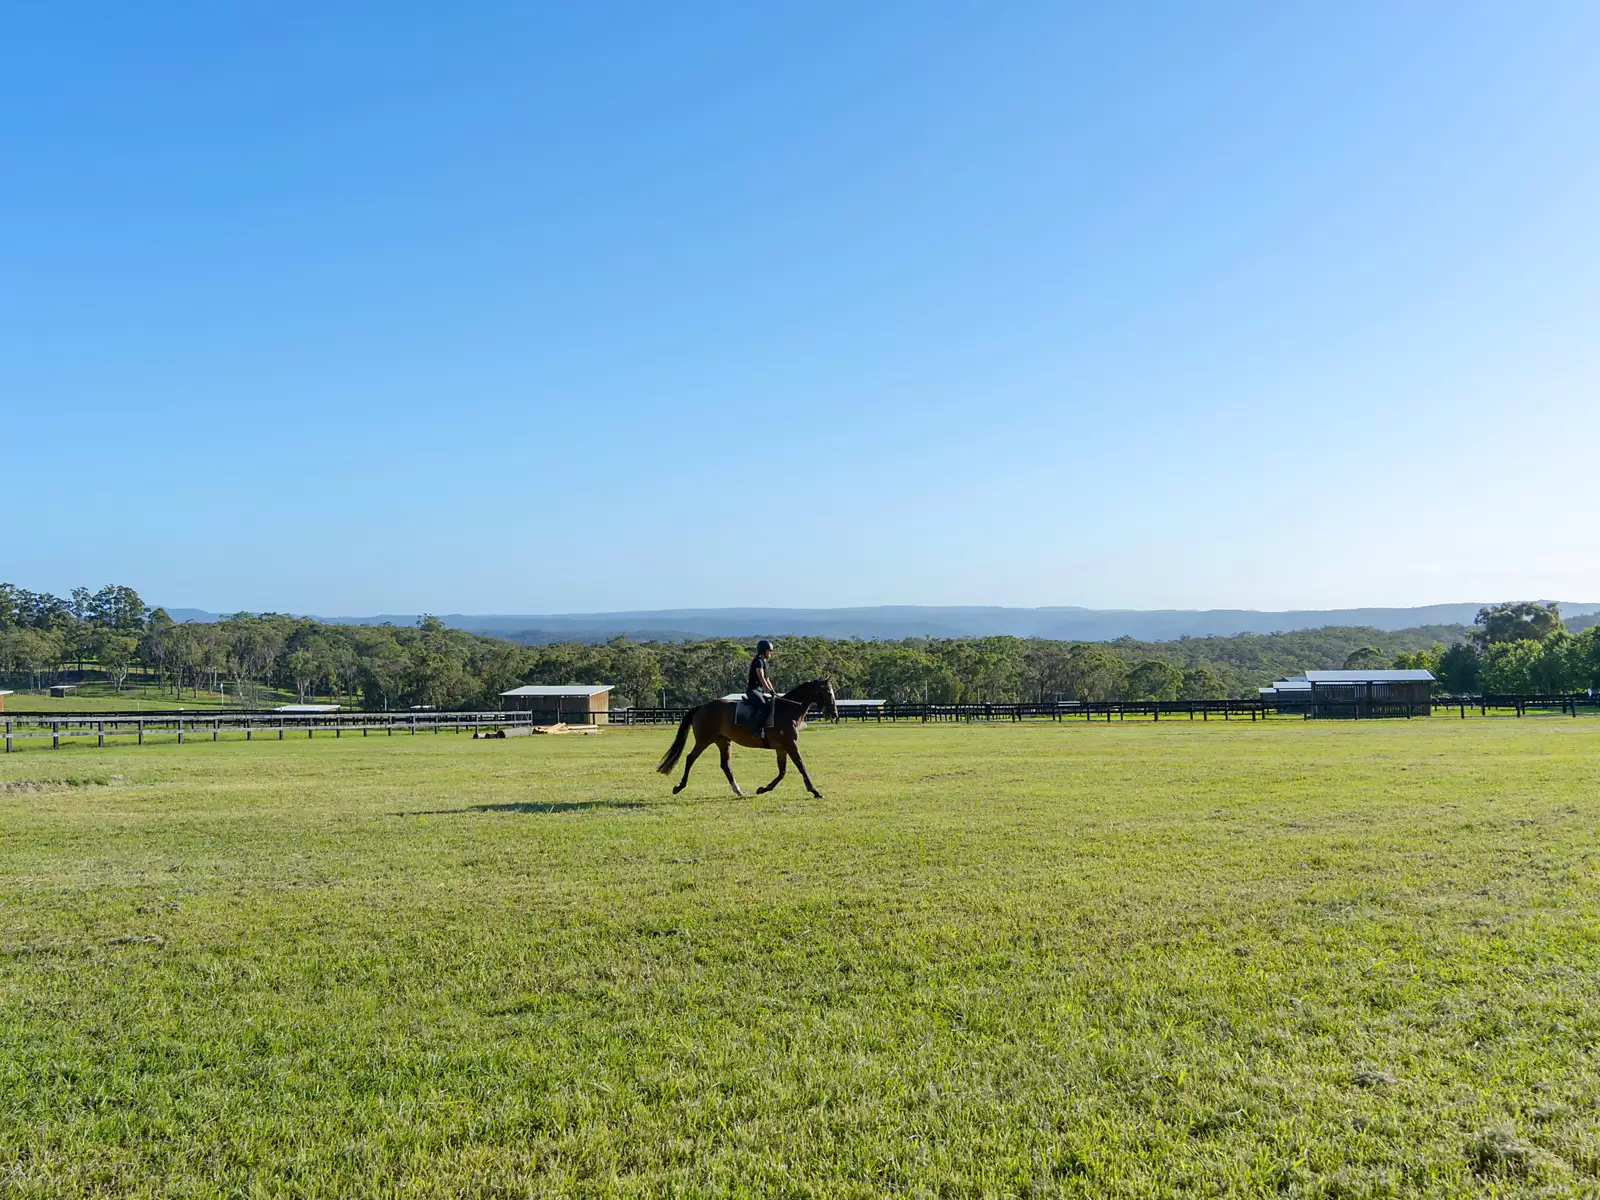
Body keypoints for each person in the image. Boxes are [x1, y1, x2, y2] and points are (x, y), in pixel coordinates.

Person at [745, 639, 776, 733]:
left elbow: (767, 679)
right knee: (763, 706)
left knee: (771, 704)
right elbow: (761, 677)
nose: (770, 653)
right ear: (763, 651)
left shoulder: (764, 662)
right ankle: (755, 729)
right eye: (769, 651)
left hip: (760, 691)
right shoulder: (758, 662)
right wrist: (768, 690)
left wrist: (773, 692)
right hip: (753, 691)